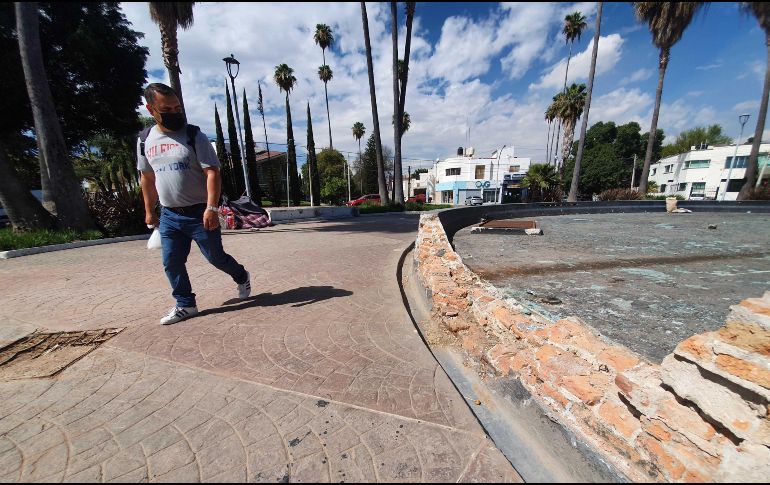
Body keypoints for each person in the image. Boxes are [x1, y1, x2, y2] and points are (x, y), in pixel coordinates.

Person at [137, 83, 250, 325]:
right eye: (167, 108)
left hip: (200, 212)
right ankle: (185, 304)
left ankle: (241, 275)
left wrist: (211, 208)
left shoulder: (194, 135)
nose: (175, 112)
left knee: (215, 257)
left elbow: (213, 172)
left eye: (178, 107)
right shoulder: (145, 140)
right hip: (168, 215)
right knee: (171, 261)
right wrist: (149, 211)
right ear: (151, 109)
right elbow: (147, 178)